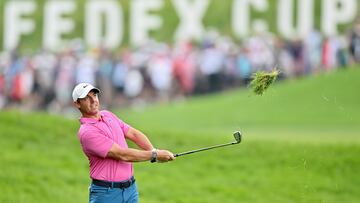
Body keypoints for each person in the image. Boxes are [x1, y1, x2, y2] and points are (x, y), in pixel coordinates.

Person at [72, 82, 175, 203]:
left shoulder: (108, 115)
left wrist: (154, 152)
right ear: (77, 103)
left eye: (94, 95)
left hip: (130, 189)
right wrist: (155, 155)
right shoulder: (87, 132)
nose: (93, 100)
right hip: (106, 194)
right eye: (86, 98)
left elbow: (133, 134)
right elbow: (122, 154)